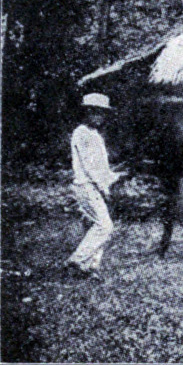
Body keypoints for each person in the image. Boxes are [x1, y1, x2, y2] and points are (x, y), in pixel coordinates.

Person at [66, 93, 125, 279]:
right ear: (87, 112)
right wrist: (103, 186)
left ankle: (92, 267)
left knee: (97, 226)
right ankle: (77, 260)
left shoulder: (95, 134)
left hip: (94, 184)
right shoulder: (82, 133)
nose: (100, 117)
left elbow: (101, 167)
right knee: (104, 226)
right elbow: (89, 166)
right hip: (87, 185)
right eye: (96, 113)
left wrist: (116, 175)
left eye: (103, 114)